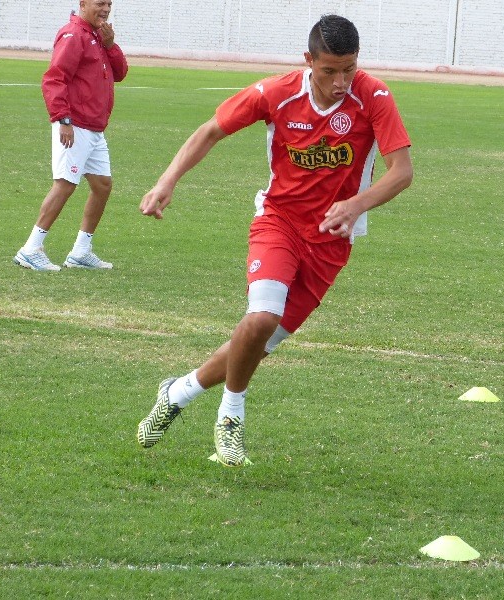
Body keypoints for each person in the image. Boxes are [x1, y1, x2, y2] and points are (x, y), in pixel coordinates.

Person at [136, 15, 413, 466]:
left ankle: (178, 392)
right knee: (261, 316)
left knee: (257, 344)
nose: (341, 81)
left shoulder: (374, 95)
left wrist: (357, 204)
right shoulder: (276, 93)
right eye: (329, 71)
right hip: (278, 222)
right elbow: (210, 131)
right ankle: (230, 419)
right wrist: (167, 182)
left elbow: (402, 173)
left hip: (331, 241)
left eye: (349, 69)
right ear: (308, 61)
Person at [13, 0, 128, 272]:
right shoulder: (73, 34)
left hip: (95, 127)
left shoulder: (98, 36)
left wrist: (111, 44)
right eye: (101, 3)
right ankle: (30, 249)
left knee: (102, 186)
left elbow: (120, 73)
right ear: (84, 4)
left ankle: (80, 251)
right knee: (65, 184)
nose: (106, 9)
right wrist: (63, 119)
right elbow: (55, 79)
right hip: (75, 125)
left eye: (109, 4)